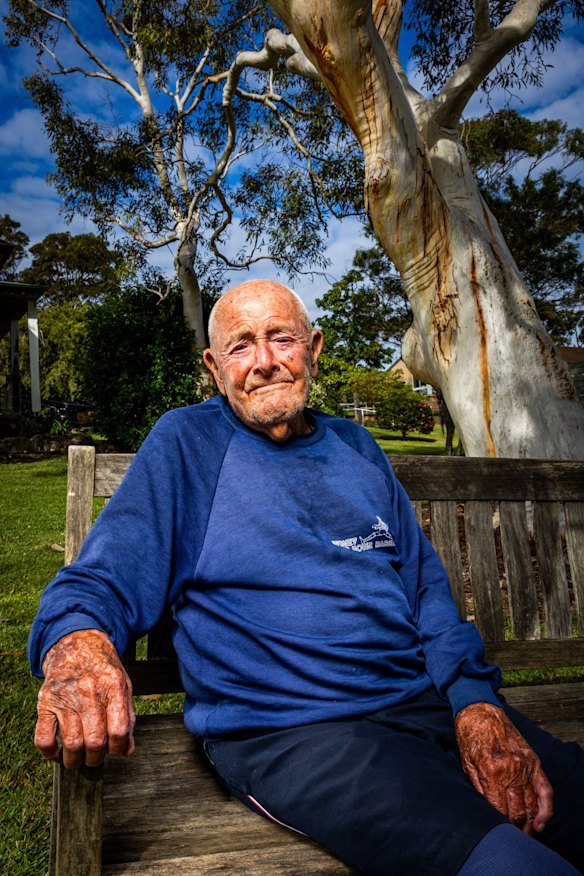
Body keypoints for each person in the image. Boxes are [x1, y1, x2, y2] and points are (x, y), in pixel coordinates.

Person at [29, 280, 584, 875]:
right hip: (296, 734)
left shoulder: (356, 446)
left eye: (281, 338)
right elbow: (100, 579)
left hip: (425, 702)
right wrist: (77, 644)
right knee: (510, 864)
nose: (265, 362)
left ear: (313, 348)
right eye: (241, 346)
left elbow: (426, 592)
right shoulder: (187, 444)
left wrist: (475, 702)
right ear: (215, 369)